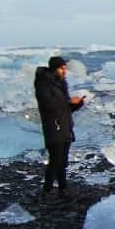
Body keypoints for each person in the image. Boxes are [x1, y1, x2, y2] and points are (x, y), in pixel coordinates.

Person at [34, 56, 85, 200]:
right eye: (62, 68)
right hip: (53, 126)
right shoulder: (43, 83)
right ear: (54, 68)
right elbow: (48, 105)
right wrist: (68, 102)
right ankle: (47, 191)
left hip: (65, 126)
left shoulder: (61, 84)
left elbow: (65, 109)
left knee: (62, 161)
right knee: (55, 160)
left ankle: (63, 189)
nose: (65, 71)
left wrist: (77, 104)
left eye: (65, 68)